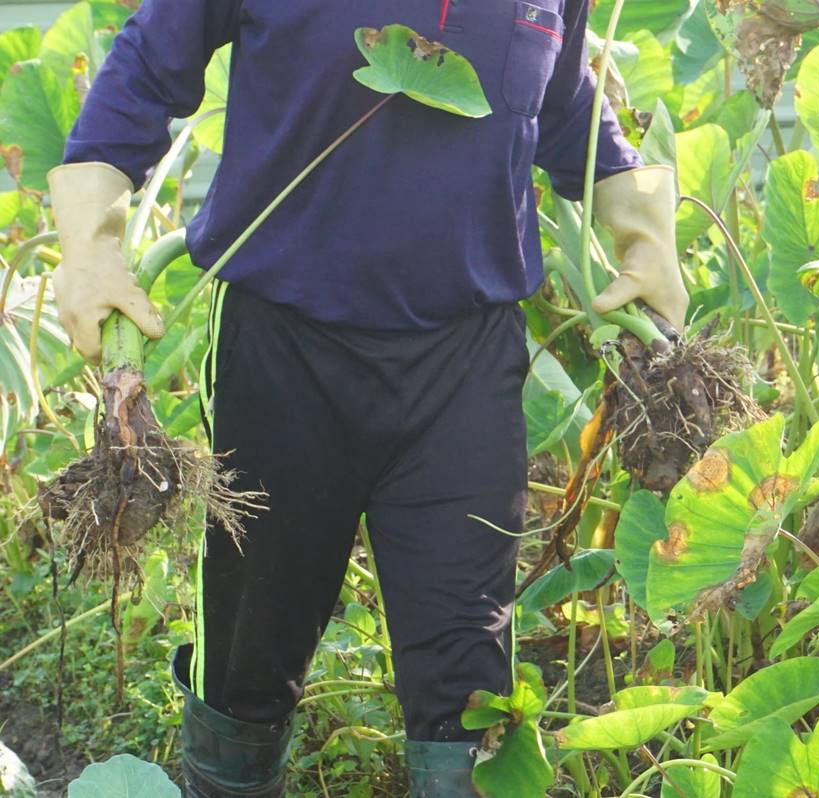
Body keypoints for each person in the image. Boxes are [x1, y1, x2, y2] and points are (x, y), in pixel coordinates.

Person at [46, 1, 688, 795]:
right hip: (284, 347)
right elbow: (148, 64)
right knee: (252, 652)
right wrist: (90, 245)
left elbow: (560, 104)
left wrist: (638, 224)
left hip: (464, 362)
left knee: (471, 685)